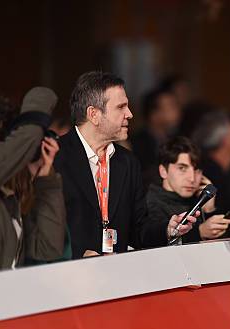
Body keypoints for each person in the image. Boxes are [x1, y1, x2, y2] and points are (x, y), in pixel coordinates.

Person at [54, 71, 196, 258]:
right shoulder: (56, 157)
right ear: (93, 114)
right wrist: (78, 255)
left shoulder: (127, 162)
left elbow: (139, 230)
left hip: (119, 277)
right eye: (121, 107)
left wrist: (167, 229)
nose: (129, 114)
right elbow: (45, 229)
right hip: (67, 277)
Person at [0, 88, 66, 274]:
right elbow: (28, 135)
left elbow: (47, 248)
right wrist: (36, 106)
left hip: (8, 301)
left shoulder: (8, 198)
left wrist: (46, 179)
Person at [147, 137, 230, 244]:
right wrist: (199, 232)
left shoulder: (199, 199)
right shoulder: (150, 204)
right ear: (163, 171)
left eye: (196, 170)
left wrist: (209, 210)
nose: (192, 178)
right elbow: (152, 243)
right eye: (182, 168)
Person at [130, 87, 181, 189]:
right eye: (171, 106)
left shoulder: (176, 138)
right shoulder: (138, 143)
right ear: (154, 114)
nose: (177, 110)